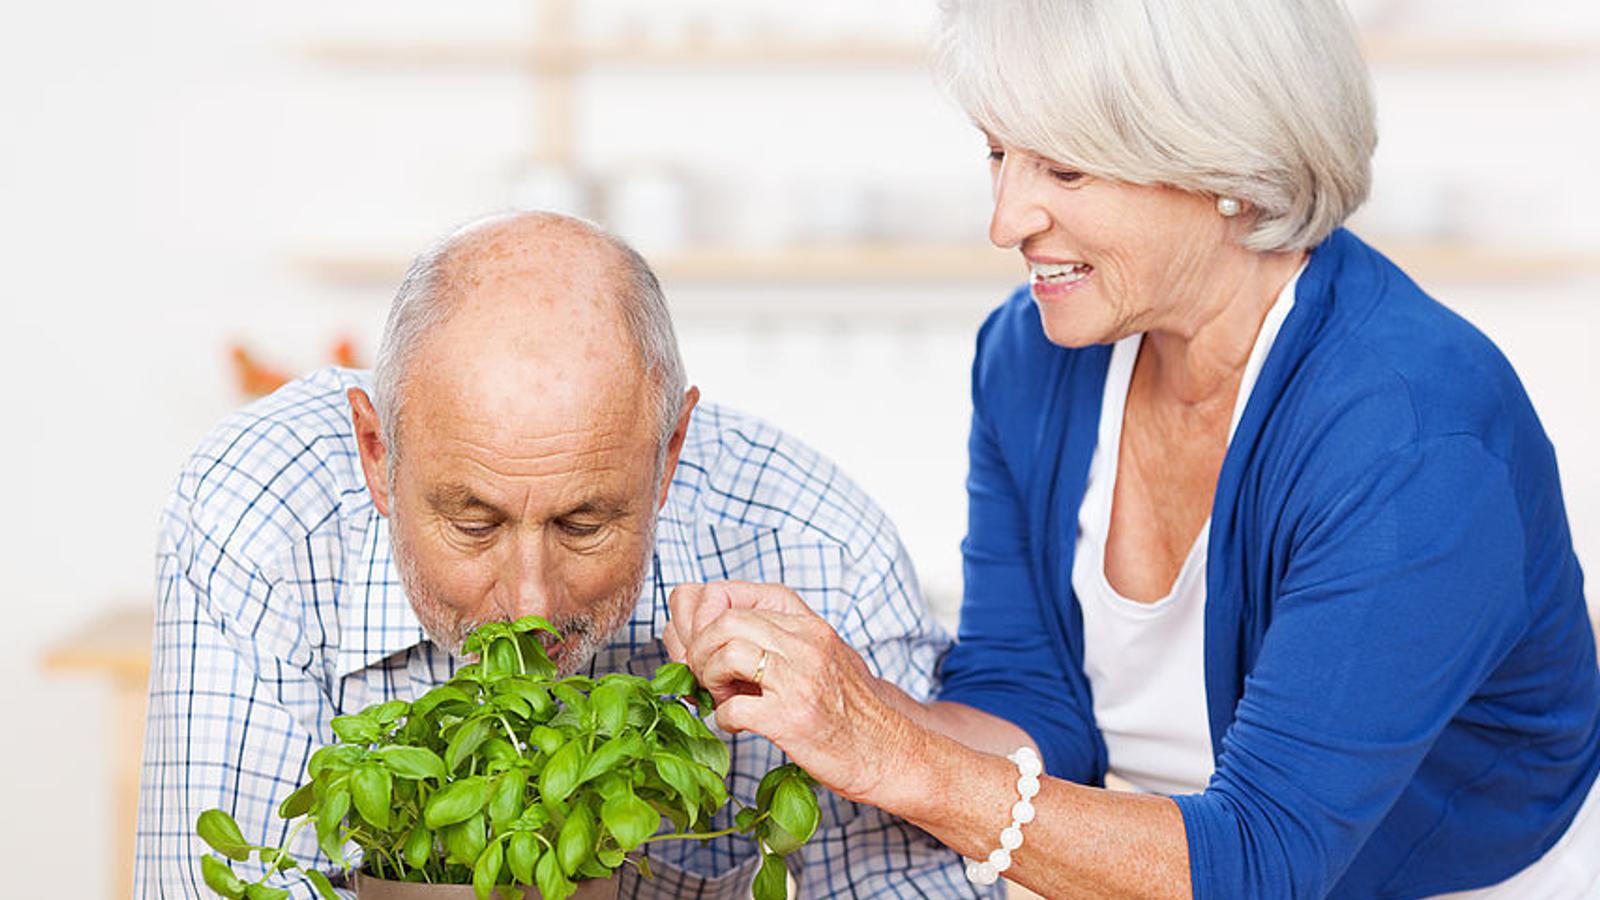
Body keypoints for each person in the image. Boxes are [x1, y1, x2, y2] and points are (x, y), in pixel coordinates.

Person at [664, 1, 1600, 897]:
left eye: (1066, 171)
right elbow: (1036, 707)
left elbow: (1266, 859)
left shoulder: (1411, 437)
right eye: (998, 154)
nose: (1006, 221)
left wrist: (897, 756)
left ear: (1228, 165)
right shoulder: (1031, 357)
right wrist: (838, 699)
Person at [134, 212, 994, 899]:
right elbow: (226, 884)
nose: (533, 602)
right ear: (376, 454)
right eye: (473, 523)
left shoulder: (820, 547)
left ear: (669, 455)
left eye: (584, 524)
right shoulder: (259, 515)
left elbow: (909, 886)